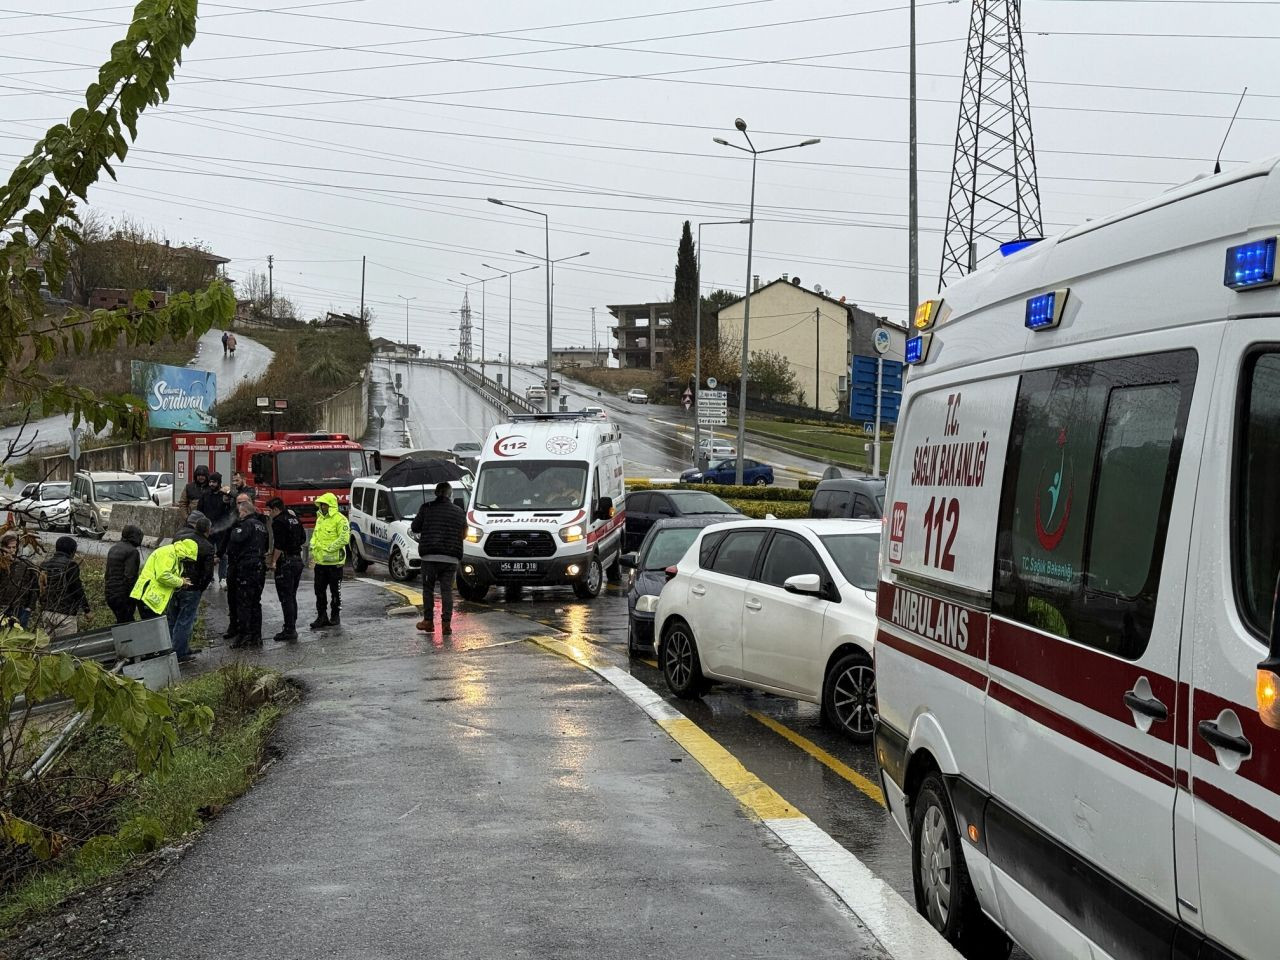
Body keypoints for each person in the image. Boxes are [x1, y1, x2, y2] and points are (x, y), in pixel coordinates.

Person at [410, 481, 466, 636]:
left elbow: (415, 527)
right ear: (450, 494)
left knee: (428, 589)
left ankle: (428, 621)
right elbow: (464, 534)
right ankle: (446, 624)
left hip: (430, 556)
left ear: (435, 493)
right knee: (446, 590)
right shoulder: (459, 511)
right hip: (451, 558)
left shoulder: (426, 508)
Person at [225, 492, 269, 647]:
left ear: (244, 512)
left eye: (240, 512)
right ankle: (256, 635)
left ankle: (243, 635)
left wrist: (235, 528)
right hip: (259, 566)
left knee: (243, 602)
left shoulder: (245, 525)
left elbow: (235, 540)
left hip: (246, 567)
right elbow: (266, 546)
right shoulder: (262, 526)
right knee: (256, 602)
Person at [170, 512, 215, 663]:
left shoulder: (181, 539)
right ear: (208, 530)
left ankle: (171, 648)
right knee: (185, 620)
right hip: (192, 588)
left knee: (173, 617)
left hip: (176, 583)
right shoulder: (207, 546)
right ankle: (180, 653)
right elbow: (208, 573)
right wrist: (200, 587)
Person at [267, 497, 305, 642]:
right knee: (292, 595)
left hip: (286, 562)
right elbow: (302, 538)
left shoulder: (279, 521)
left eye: (270, 511)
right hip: (297, 560)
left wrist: (274, 561)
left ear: (276, 509)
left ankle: (289, 629)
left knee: (286, 597)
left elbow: (279, 545)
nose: (269, 514)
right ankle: (291, 625)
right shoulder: (294, 519)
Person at [130, 537, 195, 621]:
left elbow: (168, 575)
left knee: (154, 627)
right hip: (147, 595)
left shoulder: (176, 556)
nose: (187, 561)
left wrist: (180, 583)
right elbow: (163, 575)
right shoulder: (168, 553)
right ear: (186, 552)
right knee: (152, 627)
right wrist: (181, 582)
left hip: (152, 597)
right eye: (187, 558)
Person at [309, 492, 349, 630]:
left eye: (325, 504)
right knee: (319, 591)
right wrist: (312, 547)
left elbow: (344, 538)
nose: (323, 507)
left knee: (335, 592)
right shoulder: (320, 519)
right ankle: (321, 616)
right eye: (321, 504)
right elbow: (315, 535)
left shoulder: (340, 519)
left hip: (334, 564)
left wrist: (329, 549)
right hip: (320, 563)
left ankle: (335, 615)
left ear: (331, 505)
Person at [41, 536, 90, 637]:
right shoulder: (70, 565)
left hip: (47, 611)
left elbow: (40, 588)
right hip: (65, 613)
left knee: (48, 647)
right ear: (72, 551)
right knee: (65, 648)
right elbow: (77, 589)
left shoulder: (44, 565)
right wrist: (87, 610)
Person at [104, 524, 144, 624]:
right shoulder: (132, 552)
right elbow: (130, 577)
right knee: (128, 625)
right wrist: (134, 598)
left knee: (122, 621)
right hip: (123, 596)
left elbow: (108, 573)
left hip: (110, 593)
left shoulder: (113, 548)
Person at [0, 530, 41, 629]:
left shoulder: (25, 565)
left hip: (21, 608)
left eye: (14, 547)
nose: (11, 551)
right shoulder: (1, 565)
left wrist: (29, 607)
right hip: (2, 607)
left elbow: (35, 587)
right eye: (8, 548)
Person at [199, 471, 232, 587]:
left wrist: (227, 500)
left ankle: (222, 578)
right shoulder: (205, 494)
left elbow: (229, 512)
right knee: (208, 554)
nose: (212, 484)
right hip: (208, 530)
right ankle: (209, 577)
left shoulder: (224, 496)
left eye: (214, 482)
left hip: (222, 530)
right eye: (211, 482)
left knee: (223, 555)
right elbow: (200, 511)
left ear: (219, 483)